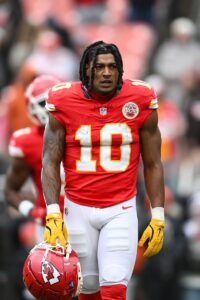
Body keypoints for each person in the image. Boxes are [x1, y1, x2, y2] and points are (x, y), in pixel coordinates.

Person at [42, 41, 165, 300]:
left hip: (120, 209)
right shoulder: (62, 100)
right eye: (99, 67)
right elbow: (50, 160)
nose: (107, 73)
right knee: (87, 291)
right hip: (77, 208)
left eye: (112, 67)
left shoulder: (140, 98)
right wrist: (53, 213)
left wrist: (158, 216)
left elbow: (153, 162)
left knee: (115, 290)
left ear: (120, 70)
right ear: (86, 69)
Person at [4, 74, 65, 244]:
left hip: (87, 216)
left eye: (53, 102)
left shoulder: (84, 132)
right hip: (51, 224)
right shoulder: (27, 142)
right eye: (43, 103)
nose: (49, 108)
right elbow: (10, 190)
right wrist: (32, 211)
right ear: (31, 107)